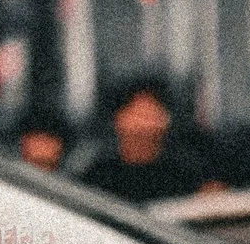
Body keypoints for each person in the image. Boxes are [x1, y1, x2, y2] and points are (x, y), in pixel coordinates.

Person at [77, 79, 210, 203]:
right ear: (119, 121)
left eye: (153, 117)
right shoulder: (98, 174)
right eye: (139, 116)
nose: (146, 127)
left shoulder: (184, 172)